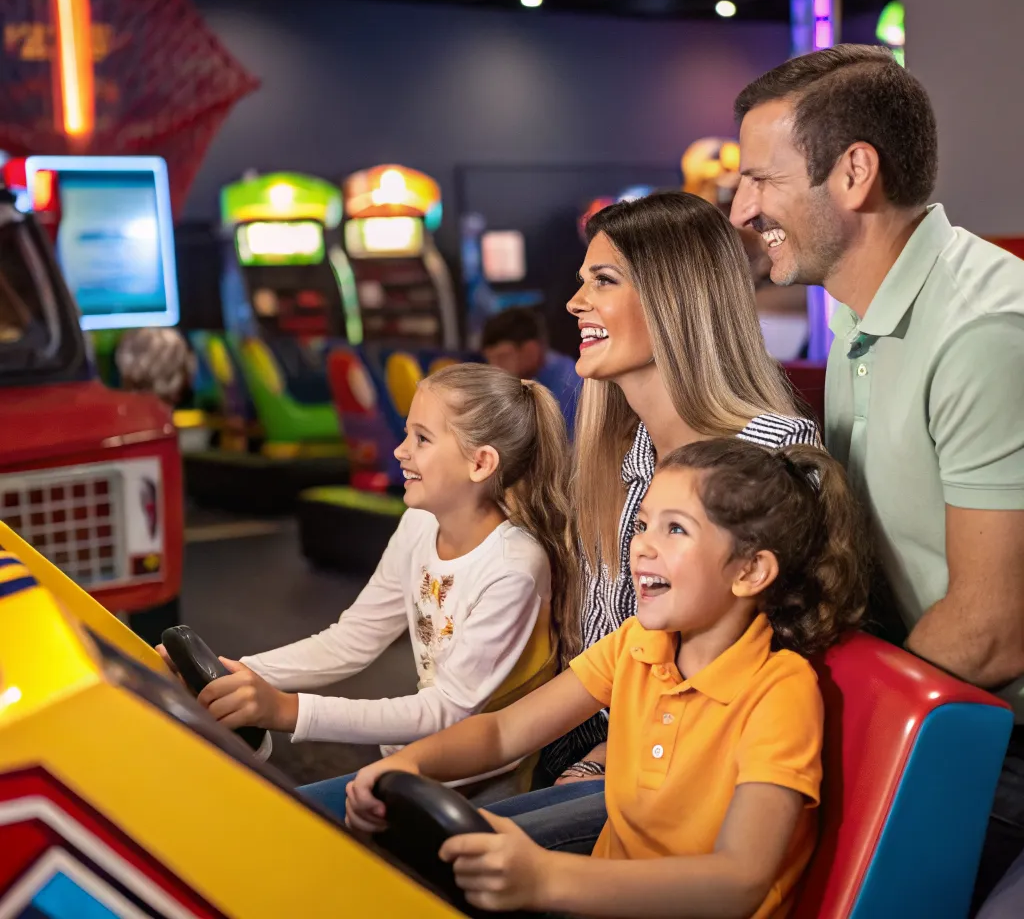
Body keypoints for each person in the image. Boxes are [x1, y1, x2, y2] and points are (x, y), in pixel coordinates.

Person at [729, 43, 1024, 914]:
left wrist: (826, 718)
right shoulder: (868, 317)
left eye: (762, 180)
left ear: (855, 173)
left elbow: (991, 630)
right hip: (942, 700)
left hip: (997, 733)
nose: (744, 208)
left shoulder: (982, 332)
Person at [346, 439, 869, 918]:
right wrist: (412, 762)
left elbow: (739, 880)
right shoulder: (637, 644)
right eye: (642, 524)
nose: (641, 546)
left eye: (676, 529)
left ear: (750, 572)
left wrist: (546, 877)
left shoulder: (779, 690)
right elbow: (504, 732)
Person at [485, 190, 821, 854]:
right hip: (585, 727)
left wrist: (602, 756)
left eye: (603, 281)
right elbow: (601, 657)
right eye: (581, 282)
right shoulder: (624, 446)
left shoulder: (775, 449)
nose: (574, 303)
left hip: (682, 764)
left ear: (676, 301)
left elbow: (766, 673)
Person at [161, 363, 577, 813]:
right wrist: (236, 672)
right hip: (410, 762)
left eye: (421, 438)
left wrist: (288, 711)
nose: (399, 451)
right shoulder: (420, 524)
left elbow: (446, 709)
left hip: (482, 783)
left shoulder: (512, 568)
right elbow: (353, 639)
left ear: (480, 463)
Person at [481, 307, 581, 438]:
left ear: (531, 350)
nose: (495, 367)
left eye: (503, 357)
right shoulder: (529, 381)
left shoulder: (570, 386)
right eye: (490, 360)